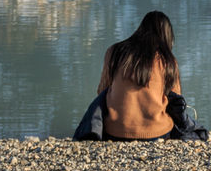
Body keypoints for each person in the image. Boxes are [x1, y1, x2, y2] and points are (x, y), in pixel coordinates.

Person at [75, 11, 183, 141]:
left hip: (115, 132)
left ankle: (89, 131)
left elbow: (101, 89)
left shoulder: (115, 52)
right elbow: (177, 99)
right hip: (157, 133)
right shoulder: (168, 60)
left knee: (104, 94)